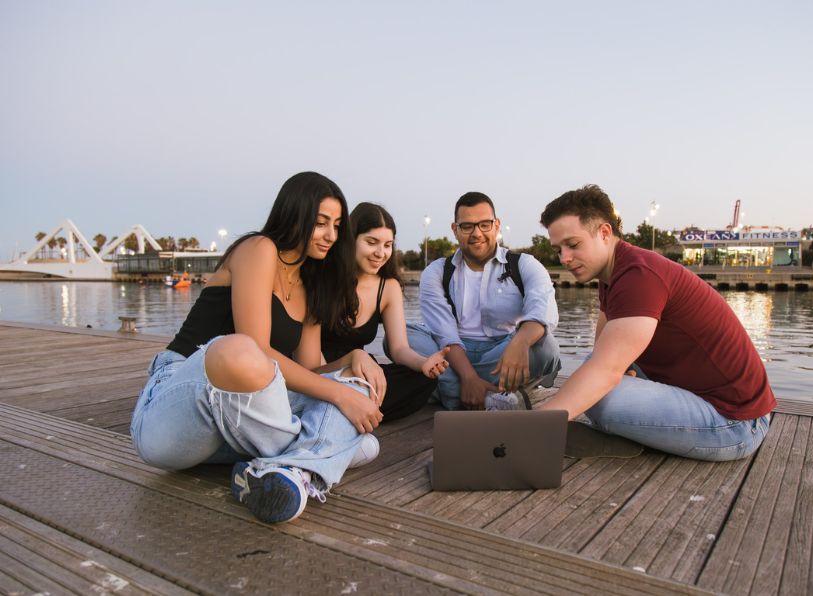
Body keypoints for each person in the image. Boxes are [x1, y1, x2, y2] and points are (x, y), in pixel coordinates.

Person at [131, 172, 386, 525]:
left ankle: (277, 472)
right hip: (181, 403)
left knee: (361, 401)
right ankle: (312, 458)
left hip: (235, 424)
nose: (331, 235)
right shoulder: (259, 248)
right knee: (239, 352)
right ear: (295, 214)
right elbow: (260, 350)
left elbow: (309, 371)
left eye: (338, 225)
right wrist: (340, 397)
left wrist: (353, 358)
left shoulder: (313, 282)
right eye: (321, 222)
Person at [539, 184, 775, 461]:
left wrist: (536, 425)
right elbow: (602, 357)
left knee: (602, 398)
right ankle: (631, 435)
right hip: (702, 396)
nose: (564, 258)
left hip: (736, 423)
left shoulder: (639, 275)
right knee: (595, 373)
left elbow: (603, 373)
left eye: (573, 245)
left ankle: (625, 433)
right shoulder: (613, 275)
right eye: (558, 250)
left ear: (604, 233)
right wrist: (610, 372)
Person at [407, 191, 561, 411]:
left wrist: (520, 342)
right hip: (452, 352)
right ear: (455, 229)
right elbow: (444, 333)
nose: (477, 233)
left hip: (503, 350)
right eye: (467, 226)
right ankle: (487, 394)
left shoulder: (524, 265)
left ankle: (449, 390)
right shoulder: (437, 271)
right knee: (401, 337)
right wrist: (468, 377)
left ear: (496, 225)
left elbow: (542, 309)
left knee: (547, 347)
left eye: (485, 224)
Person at [322, 202, 450, 420]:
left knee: (421, 380)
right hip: (321, 373)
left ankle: (354, 409)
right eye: (372, 242)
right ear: (351, 239)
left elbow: (399, 348)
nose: (380, 253)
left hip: (361, 374)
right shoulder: (323, 279)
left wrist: (423, 363)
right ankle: (350, 409)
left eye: (388, 245)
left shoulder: (388, 287)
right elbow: (308, 363)